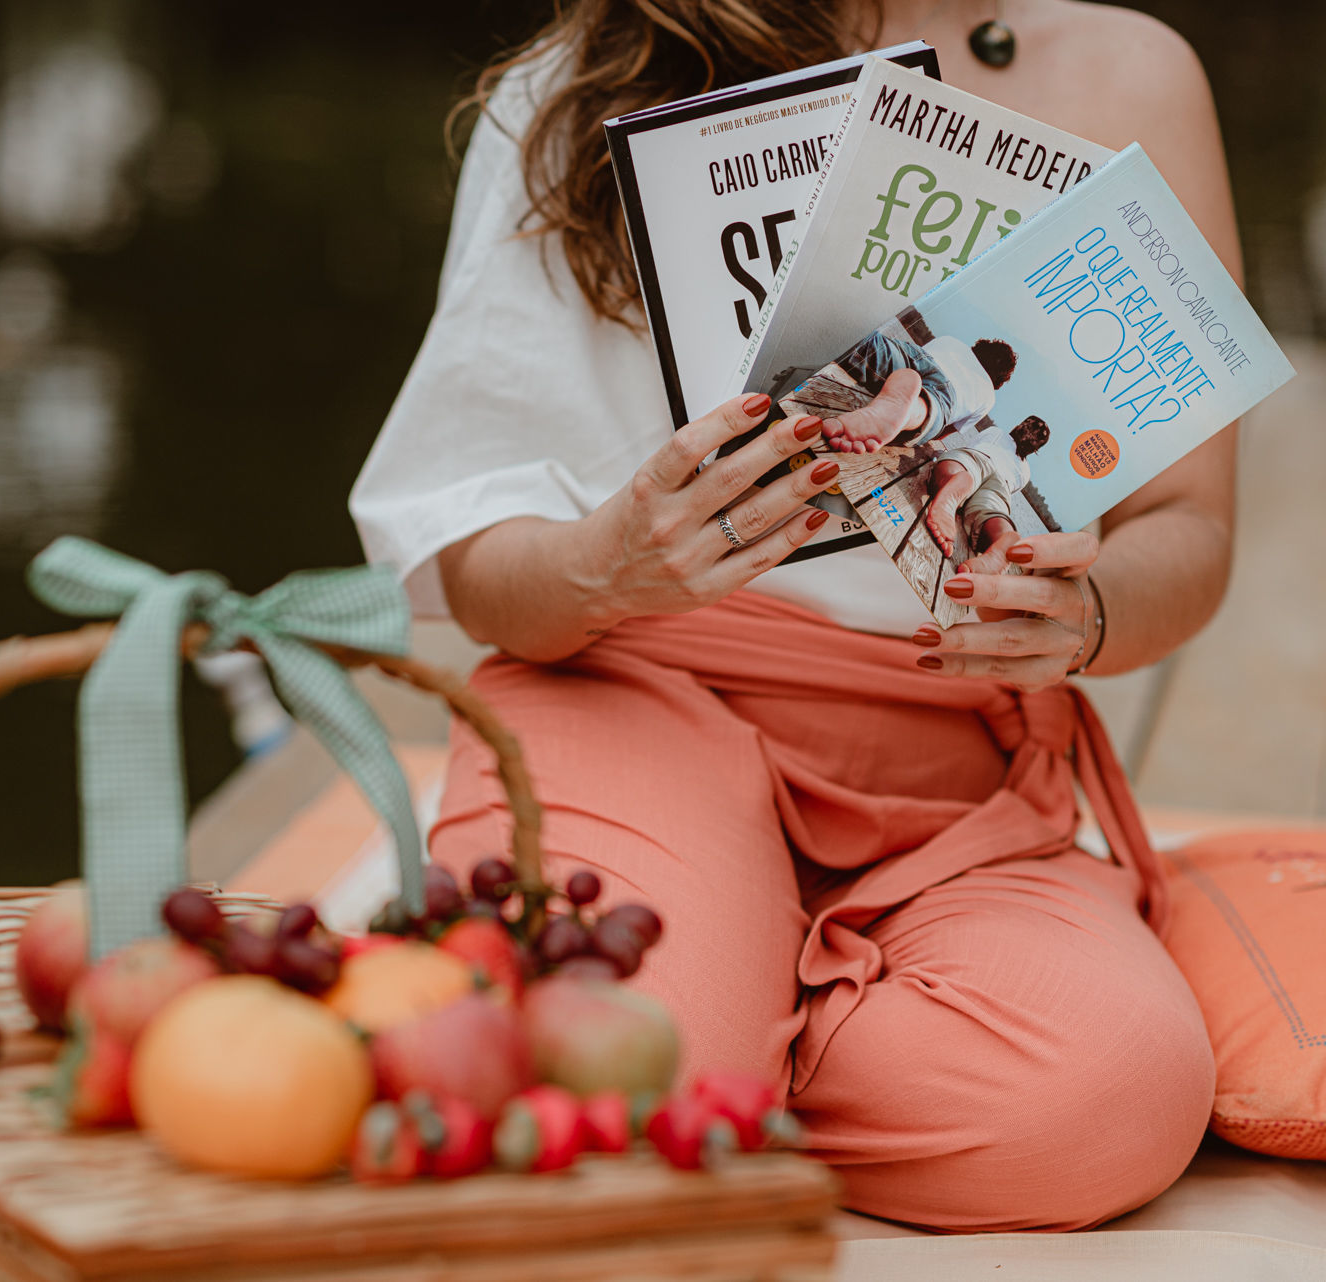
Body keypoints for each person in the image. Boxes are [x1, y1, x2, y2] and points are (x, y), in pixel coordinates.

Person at [350, 0, 1242, 1233]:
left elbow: (1189, 529)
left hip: (947, 761)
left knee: (1112, 1097)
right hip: (631, 689)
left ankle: (725, 1038)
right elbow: (474, 570)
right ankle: (708, 1019)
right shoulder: (581, 77)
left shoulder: (1129, 73)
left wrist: (1085, 614)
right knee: (617, 1047)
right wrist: (609, 566)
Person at [813, 331, 1018, 454]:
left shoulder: (953, 342)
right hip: (947, 392)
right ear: (999, 379)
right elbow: (943, 433)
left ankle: (865, 342)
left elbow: (918, 360)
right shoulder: (988, 395)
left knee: (874, 347)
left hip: (916, 357)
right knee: (928, 408)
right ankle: (910, 411)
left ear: (982, 347)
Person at [923, 414, 1051, 556]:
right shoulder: (1025, 472)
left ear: (1018, 427)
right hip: (1002, 483)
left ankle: (958, 482)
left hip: (981, 459)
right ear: (1034, 450)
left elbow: (970, 448)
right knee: (992, 509)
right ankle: (1000, 537)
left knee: (962, 467)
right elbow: (1010, 491)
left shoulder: (997, 433)